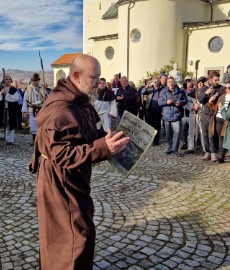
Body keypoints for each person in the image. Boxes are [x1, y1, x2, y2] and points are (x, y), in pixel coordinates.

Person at [29, 54, 129, 270]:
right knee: (73, 237)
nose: (99, 83)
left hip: (73, 178)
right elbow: (62, 155)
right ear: (76, 76)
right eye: (94, 77)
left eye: (99, 77)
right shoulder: (60, 109)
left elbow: (86, 132)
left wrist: (111, 138)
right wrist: (103, 148)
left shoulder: (80, 98)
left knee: (76, 233)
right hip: (59, 182)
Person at [198, 71, 225, 161]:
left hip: (213, 115)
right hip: (204, 114)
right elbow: (200, 100)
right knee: (204, 134)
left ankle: (213, 152)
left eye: (218, 79)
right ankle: (207, 152)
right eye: (215, 79)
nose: (217, 81)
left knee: (211, 135)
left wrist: (215, 98)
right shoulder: (204, 88)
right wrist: (206, 93)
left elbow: (223, 98)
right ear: (210, 79)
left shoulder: (221, 88)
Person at [207, 80, 230, 163]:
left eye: (229, 88)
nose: (227, 89)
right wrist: (210, 102)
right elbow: (215, 107)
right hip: (218, 119)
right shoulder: (222, 96)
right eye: (225, 88)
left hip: (229, 120)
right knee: (221, 138)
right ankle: (222, 156)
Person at [158, 76, 188, 156]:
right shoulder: (163, 92)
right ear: (167, 83)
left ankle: (175, 149)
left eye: (172, 81)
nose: (171, 83)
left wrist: (180, 103)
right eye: (169, 82)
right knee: (168, 134)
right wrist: (166, 102)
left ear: (174, 82)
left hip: (177, 115)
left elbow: (186, 101)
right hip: (167, 116)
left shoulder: (180, 91)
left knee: (177, 133)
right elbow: (159, 103)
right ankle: (170, 148)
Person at [0, 75, 19, 145]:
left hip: (10, 110)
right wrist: (1, 93)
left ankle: (9, 140)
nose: (8, 81)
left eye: (9, 79)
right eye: (6, 79)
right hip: (0, 109)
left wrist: (7, 94)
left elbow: (16, 98)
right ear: (3, 80)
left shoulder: (13, 89)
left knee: (10, 124)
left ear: (11, 81)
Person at [22, 73, 46, 145]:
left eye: (37, 80)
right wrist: (25, 110)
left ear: (39, 80)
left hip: (41, 109)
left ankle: (41, 141)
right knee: (33, 125)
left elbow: (46, 99)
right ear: (32, 80)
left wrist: (45, 93)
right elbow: (25, 99)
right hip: (31, 109)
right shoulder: (28, 89)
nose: (35, 82)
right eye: (34, 80)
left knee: (41, 125)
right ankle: (35, 141)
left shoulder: (42, 88)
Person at [143, 77, 163, 145]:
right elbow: (142, 92)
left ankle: (156, 141)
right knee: (149, 125)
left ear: (159, 82)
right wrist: (146, 87)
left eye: (157, 81)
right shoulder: (149, 89)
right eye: (154, 81)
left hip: (158, 110)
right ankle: (149, 140)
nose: (156, 83)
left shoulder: (162, 89)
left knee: (157, 126)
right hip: (149, 109)